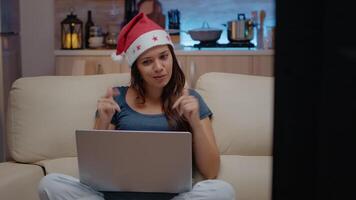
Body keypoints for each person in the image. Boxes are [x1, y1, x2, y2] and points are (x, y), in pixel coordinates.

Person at [38, 13, 235, 200]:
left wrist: (195, 122)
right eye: (147, 62)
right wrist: (102, 124)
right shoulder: (116, 98)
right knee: (50, 183)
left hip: (174, 197)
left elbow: (211, 172)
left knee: (221, 190)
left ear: (172, 57)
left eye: (164, 57)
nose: (158, 67)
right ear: (137, 69)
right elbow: (94, 174)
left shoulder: (190, 100)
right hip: (113, 197)